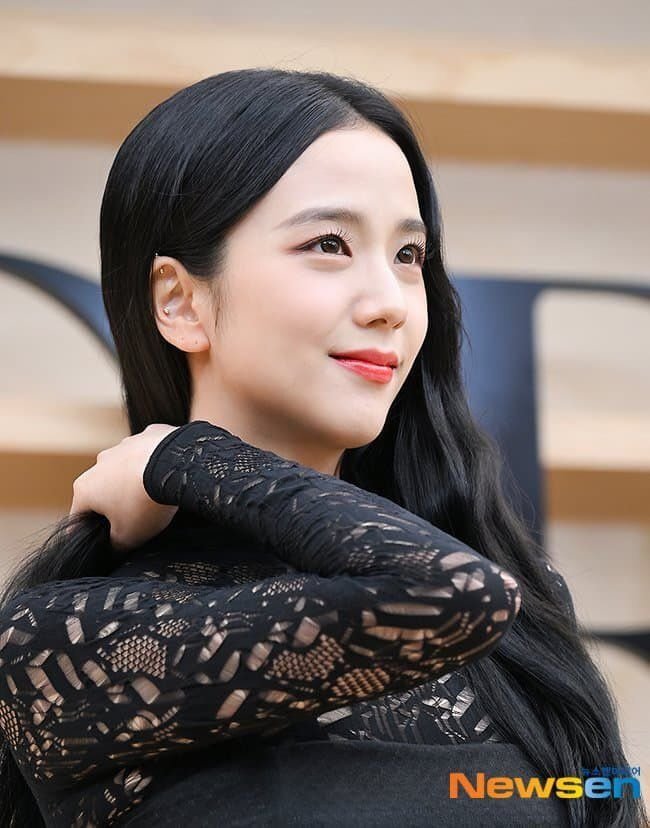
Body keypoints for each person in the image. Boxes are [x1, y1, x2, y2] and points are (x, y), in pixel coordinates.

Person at [0, 68, 644, 828]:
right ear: (179, 301)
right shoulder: (64, 637)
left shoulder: (522, 610)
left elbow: (605, 800)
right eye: (329, 244)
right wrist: (189, 458)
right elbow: (447, 597)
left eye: (409, 256)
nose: (390, 305)